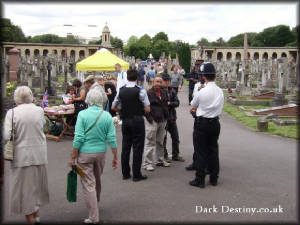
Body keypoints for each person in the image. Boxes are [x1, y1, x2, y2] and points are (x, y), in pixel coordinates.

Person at [70, 88, 118, 224]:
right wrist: (115, 157)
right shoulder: (107, 116)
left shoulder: (82, 115)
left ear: (88, 100)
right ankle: (95, 203)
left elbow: (78, 137)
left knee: (88, 184)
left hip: (85, 154)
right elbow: (112, 138)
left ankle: (93, 216)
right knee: (97, 179)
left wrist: (73, 156)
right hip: (101, 153)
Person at [4, 86, 49, 224]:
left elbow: (6, 135)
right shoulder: (39, 110)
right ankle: (36, 215)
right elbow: (43, 126)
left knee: (24, 190)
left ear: (17, 98)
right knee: (35, 186)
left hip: (21, 155)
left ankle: (31, 219)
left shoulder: (12, 113)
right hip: (39, 154)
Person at [112, 66, 150, 181]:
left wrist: (122, 111)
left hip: (125, 120)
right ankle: (136, 174)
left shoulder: (121, 90)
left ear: (127, 77)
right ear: (137, 77)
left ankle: (126, 173)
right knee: (138, 147)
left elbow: (114, 107)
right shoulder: (140, 90)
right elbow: (147, 109)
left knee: (126, 147)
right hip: (137, 120)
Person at [189, 62, 224, 188]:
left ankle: (200, 179)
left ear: (203, 76)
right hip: (215, 122)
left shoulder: (201, 91)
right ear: (214, 75)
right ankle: (214, 178)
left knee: (200, 151)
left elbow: (193, 104)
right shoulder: (220, 91)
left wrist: (196, 107)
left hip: (202, 123)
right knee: (213, 150)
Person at [142, 77, 170, 171]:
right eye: (157, 81)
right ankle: (147, 163)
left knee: (160, 142)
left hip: (162, 120)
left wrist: (166, 117)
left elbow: (166, 104)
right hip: (152, 121)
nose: (158, 83)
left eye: (160, 82)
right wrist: (149, 119)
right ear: (153, 82)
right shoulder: (148, 93)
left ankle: (160, 160)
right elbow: (144, 107)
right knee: (150, 142)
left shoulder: (164, 92)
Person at [161, 73, 184, 162]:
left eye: (168, 81)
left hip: (172, 118)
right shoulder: (159, 91)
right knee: (163, 138)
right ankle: (165, 155)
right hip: (163, 118)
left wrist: (170, 103)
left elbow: (177, 103)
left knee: (175, 137)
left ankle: (176, 155)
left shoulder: (172, 91)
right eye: (165, 81)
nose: (167, 82)